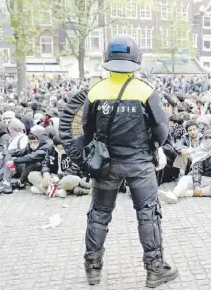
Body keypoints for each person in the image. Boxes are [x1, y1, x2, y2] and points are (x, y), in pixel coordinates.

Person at [81, 34, 178, 287]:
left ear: (107, 58)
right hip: (140, 164)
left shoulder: (95, 90)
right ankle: (155, 269)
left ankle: (93, 268)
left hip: (105, 165)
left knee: (99, 214)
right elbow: (161, 130)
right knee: (148, 214)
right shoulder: (146, 90)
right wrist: (153, 146)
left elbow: (86, 129)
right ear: (137, 59)